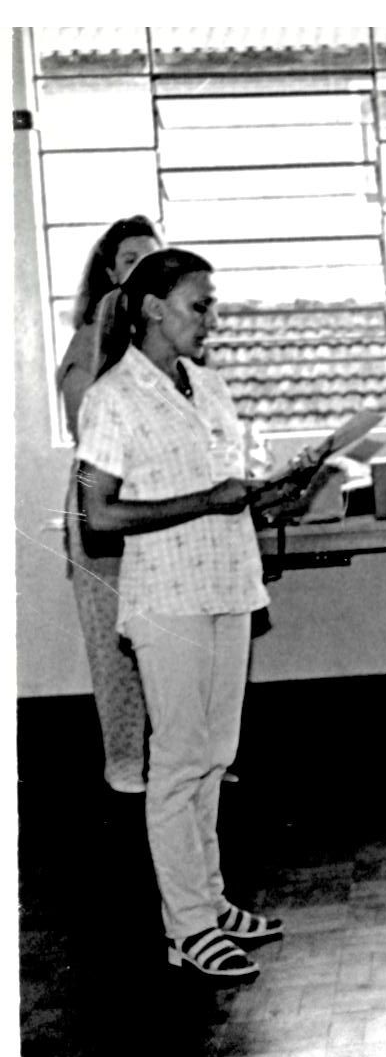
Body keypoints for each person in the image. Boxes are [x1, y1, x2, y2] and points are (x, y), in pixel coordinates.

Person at [75, 248, 284, 981]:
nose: (212, 319)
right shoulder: (112, 397)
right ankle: (188, 927)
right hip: (166, 598)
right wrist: (206, 501)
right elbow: (98, 517)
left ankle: (210, 902)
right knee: (177, 762)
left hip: (228, 583)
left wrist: (263, 494)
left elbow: (220, 483)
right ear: (153, 309)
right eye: (201, 305)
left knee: (215, 756)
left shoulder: (210, 385)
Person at [56, 215, 162, 795]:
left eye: (152, 258)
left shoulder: (171, 340)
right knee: (113, 643)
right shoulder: (90, 339)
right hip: (103, 505)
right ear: (110, 272)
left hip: (162, 505)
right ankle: (124, 764)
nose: (143, 270)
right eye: (129, 260)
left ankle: (180, 758)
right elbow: (88, 430)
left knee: (169, 638)